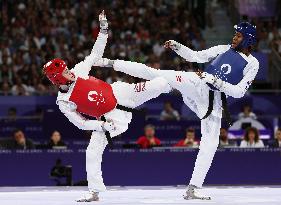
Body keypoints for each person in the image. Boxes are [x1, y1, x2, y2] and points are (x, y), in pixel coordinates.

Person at [101, 22, 259, 200]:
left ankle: (193, 188)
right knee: (156, 73)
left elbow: (238, 92)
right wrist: (178, 47)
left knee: (211, 144)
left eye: (239, 36)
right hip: (196, 84)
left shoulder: (253, 64)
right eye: (235, 34)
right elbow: (196, 56)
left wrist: (215, 81)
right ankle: (108, 62)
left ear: (248, 40)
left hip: (213, 104)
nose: (234, 38)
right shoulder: (224, 48)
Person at [42, 11, 171, 202]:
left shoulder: (79, 71)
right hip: (110, 118)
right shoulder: (63, 102)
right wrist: (101, 126)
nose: (69, 71)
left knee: (161, 83)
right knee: (92, 151)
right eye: (65, 71)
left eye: (67, 68)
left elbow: (95, 55)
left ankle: (186, 85)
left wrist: (103, 30)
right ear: (58, 78)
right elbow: (81, 123)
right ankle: (94, 192)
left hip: (121, 93)